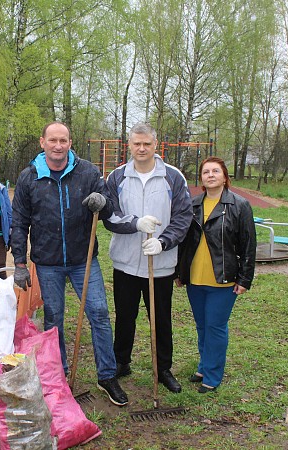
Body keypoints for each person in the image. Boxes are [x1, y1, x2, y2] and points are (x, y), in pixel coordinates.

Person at [11, 121, 129, 406]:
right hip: (48, 262)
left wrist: (102, 201)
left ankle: (107, 375)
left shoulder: (87, 172)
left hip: (82, 259)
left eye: (63, 140)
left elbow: (110, 205)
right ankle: (59, 374)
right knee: (54, 320)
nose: (58, 146)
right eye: (52, 140)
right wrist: (19, 262)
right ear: (43, 142)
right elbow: (19, 222)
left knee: (99, 313)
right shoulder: (29, 178)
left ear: (70, 142)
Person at [103, 122, 192, 393]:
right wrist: (135, 223)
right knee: (125, 316)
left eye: (147, 144)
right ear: (129, 145)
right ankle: (121, 362)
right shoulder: (117, 177)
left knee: (161, 318)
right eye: (136, 144)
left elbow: (183, 217)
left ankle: (163, 368)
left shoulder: (173, 177)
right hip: (127, 263)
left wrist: (164, 242)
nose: (141, 149)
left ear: (156, 145)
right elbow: (110, 216)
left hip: (161, 264)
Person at [175, 156, 256, 393]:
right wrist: (180, 272)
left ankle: (212, 374)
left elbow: (249, 244)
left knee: (216, 326)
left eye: (215, 171)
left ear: (225, 176)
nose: (210, 175)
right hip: (195, 278)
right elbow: (184, 242)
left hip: (223, 278)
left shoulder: (239, 205)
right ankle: (204, 365)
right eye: (206, 172)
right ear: (201, 178)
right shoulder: (193, 204)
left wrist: (244, 279)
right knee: (202, 325)